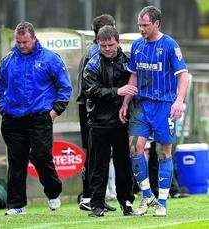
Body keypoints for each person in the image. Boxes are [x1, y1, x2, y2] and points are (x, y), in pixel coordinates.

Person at [119, 6, 189, 217]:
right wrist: (125, 102)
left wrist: (178, 101)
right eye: (139, 25)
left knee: (162, 153)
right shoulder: (138, 46)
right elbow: (133, 76)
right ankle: (147, 195)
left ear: (156, 23)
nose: (141, 29)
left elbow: (183, 75)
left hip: (164, 106)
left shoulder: (169, 45)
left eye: (145, 25)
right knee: (134, 148)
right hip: (142, 105)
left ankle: (162, 202)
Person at [0, 21, 72, 215]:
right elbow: (1, 86)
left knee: (40, 156)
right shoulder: (8, 60)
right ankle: (16, 204)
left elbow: (65, 88)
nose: (22, 45)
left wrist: (55, 111)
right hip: (13, 118)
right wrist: (3, 109)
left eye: (25, 42)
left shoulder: (50, 59)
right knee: (16, 160)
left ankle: (54, 192)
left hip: (40, 117)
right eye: (19, 42)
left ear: (34, 38)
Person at [83, 25, 137, 217]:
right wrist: (118, 91)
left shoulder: (128, 61)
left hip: (123, 120)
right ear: (98, 44)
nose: (107, 48)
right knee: (98, 165)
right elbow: (91, 91)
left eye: (110, 44)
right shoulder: (92, 64)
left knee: (124, 164)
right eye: (103, 45)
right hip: (99, 121)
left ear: (118, 42)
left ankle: (127, 203)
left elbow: (137, 83)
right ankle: (97, 204)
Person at [77, 14, 116, 212]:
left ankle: (92, 196)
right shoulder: (96, 53)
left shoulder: (93, 50)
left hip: (89, 107)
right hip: (91, 108)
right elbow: (92, 88)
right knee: (94, 153)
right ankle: (88, 196)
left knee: (95, 153)